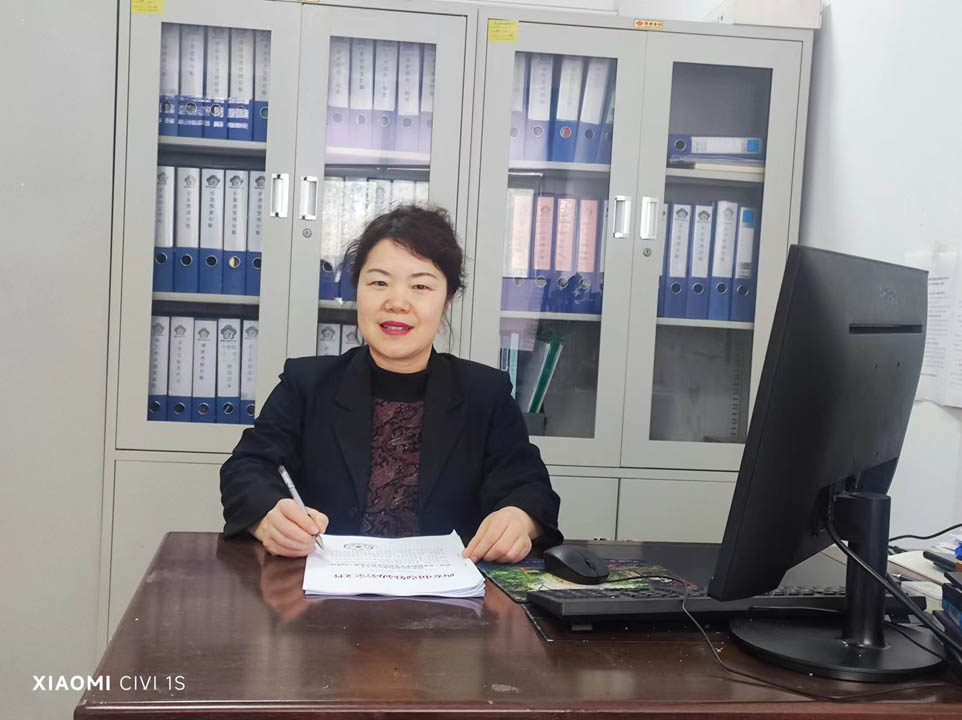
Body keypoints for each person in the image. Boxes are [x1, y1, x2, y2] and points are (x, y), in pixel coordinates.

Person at [220, 204, 562, 563]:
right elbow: (246, 469)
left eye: (420, 286)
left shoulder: (485, 395)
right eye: (379, 282)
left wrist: (519, 519)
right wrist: (268, 516)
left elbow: (531, 488)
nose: (397, 302)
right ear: (357, 291)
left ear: (446, 300)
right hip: (324, 590)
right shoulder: (307, 385)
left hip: (445, 593)